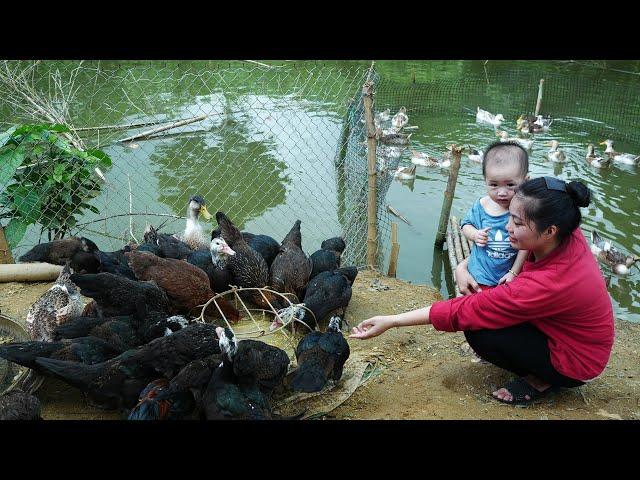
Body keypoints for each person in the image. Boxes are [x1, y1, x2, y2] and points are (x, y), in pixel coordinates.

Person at [350, 176, 615, 406]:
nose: (508, 227)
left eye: (518, 223)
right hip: (569, 332)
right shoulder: (563, 229)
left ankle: (541, 380)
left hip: (577, 363)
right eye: (509, 215)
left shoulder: (550, 281)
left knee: (479, 330)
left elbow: (467, 310)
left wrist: (392, 320)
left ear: (549, 231)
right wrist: (463, 267)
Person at [461, 142, 530, 288]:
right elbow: (466, 225)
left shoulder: (525, 210)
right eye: (494, 185)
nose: (502, 192)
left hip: (508, 278)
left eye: (510, 185)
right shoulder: (481, 205)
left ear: (525, 181)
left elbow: (526, 246)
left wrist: (513, 272)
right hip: (478, 274)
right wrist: (474, 234)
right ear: (485, 181)